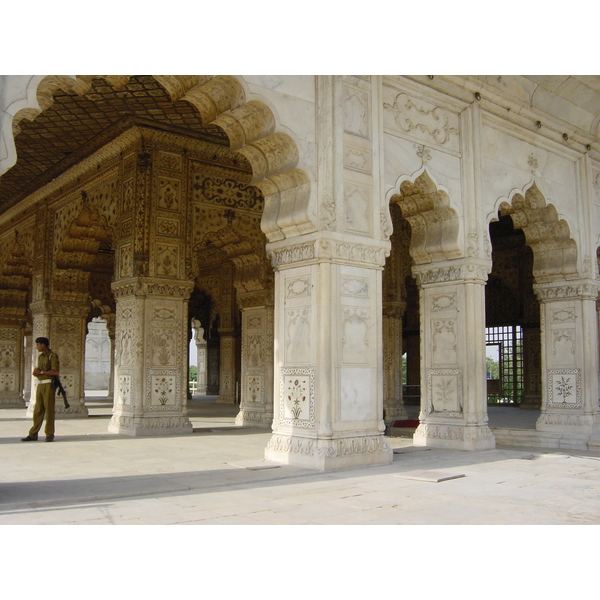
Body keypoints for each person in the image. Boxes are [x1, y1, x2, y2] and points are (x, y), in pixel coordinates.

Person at [21, 337, 60, 442]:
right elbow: (38, 371)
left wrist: (41, 372)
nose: (37, 347)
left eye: (38, 345)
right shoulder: (40, 357)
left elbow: (55, 372)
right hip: (40, 384)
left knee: (49, 410)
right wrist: (37, 372)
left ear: (43, 345)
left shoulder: (52, 356)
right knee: (38, 410)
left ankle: (49, 434)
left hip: (48, 385)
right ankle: (33, 433)